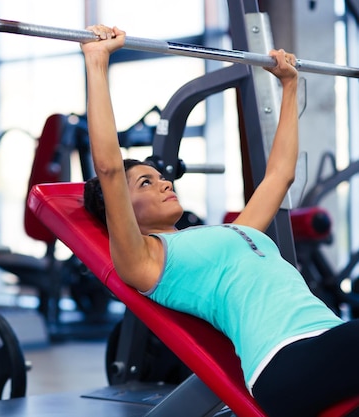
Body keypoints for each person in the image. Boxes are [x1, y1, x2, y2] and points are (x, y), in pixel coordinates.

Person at [81, 24, 359, 417]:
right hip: (285, 361)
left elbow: (281, 174)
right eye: (146, 181)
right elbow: (109, 168)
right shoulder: (146, 260)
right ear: (118, 211)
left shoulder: (236, 231)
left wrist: (289, 86)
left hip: (328, 342)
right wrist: (97, 62)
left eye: (161, 176)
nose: (164, 183)